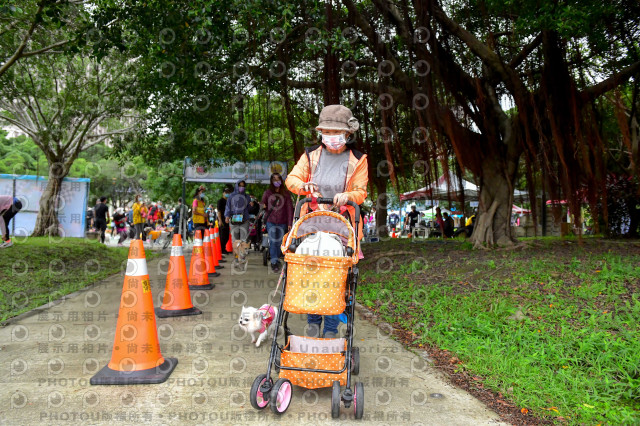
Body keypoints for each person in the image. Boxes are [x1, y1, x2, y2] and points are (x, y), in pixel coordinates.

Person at [285, 104, 368, 339]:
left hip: (341, 226)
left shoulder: (358, 159)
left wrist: (348, 196)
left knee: (334, 281)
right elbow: (292, 179)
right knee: (310, 278)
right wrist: (304, 186)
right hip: (312, 223)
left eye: (336, 132)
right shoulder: (310, 155)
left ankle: (330, 332)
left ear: (348, 134)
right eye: (327, 132)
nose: (331, 137)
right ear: (321, 132)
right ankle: (312, 328)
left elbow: (360, 191)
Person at [261, 172, 294, 272]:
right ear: (271, 181)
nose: (276, 181)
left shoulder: (286, 193)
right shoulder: (267, 192)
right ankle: (274, 262)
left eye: (278, 179)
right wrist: (262, 205)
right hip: (270, 221)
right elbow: (262, 203)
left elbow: (289, 208)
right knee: (272, 241)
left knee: (279, 242)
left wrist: (289, 223)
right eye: (274, 179)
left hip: (282, 221)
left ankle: (276, 258)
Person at [224, 180, 251, 244]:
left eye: (243, 186)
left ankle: (242, 253)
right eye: (240, 186)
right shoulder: (231, 196)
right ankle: (236, 253)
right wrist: (227, 216)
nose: (241, 187)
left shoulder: (247, 197)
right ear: (236, 186)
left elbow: (249, 208)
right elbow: (228, 206)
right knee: (235, 239)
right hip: (234, 219)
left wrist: (251, 205)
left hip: (245, 219)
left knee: (244, 239)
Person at [217, 185, 233, 254]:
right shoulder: (220, 201)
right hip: (222, 220)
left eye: (228, 192)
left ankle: (224, 248)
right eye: (226, 192)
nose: (227, 194)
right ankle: (221, 249)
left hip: (228, 219)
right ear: (223, 193)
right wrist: (220, 220)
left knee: (227, 236)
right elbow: (219, 211)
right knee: (223, 235)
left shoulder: (229, 201)